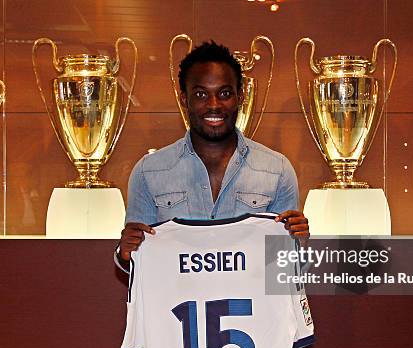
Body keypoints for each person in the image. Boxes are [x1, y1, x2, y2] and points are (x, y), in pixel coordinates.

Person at [115, 41, 309, 271]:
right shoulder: (149, 172)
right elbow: (141, 266)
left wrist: (298, 244)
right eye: (201, 94)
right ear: (184, 99)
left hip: (250, 307)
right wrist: (126, 252)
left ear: (240, 96)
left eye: (224, 93)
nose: (214, 105)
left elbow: (284, 272)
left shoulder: (277, 170)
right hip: (178, 305)